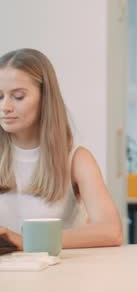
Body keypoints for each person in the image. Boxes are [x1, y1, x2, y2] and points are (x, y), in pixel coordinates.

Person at [0, 48, 122, 250]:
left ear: (45, 99)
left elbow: (111, 231)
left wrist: (27, 242)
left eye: (18, 97)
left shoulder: (77, 159)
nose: (5, 107)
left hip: (60, 276)